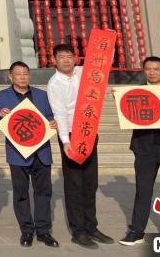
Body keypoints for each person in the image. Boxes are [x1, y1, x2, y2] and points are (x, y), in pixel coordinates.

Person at [46, 43, 113, 248]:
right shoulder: (54, 84)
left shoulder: (83, 73)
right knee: (75, 185)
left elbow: (104, 64)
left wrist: (107, 42)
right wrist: (65, 141)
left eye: (70, 56)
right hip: (71, 135)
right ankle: (79, 231)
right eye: (62, 57)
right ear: (54, 60)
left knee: (90, 182)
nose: (66, 60)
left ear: (75, 58)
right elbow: (59, 114)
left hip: (89, 131)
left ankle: (91, 227)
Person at [119, 56, 160, 245]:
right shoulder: (134, 93)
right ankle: (136, 231)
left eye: (156, 69)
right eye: (148, 69)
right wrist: (120, 100)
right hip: (144, 148)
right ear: (144, 71)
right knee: (143, 190)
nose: (152, 72)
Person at [0, 61, 59, 248]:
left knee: (43, 192)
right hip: (17, 153)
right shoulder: (2, 96)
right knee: (21, 193)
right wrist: (1, 115)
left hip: (42, 152)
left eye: (25, 74)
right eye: (18, 74)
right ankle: (27, 230)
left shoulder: (42, 95)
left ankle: (43, 231)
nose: (22, 77)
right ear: (11, 76)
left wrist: (53, 122)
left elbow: (51, 116)